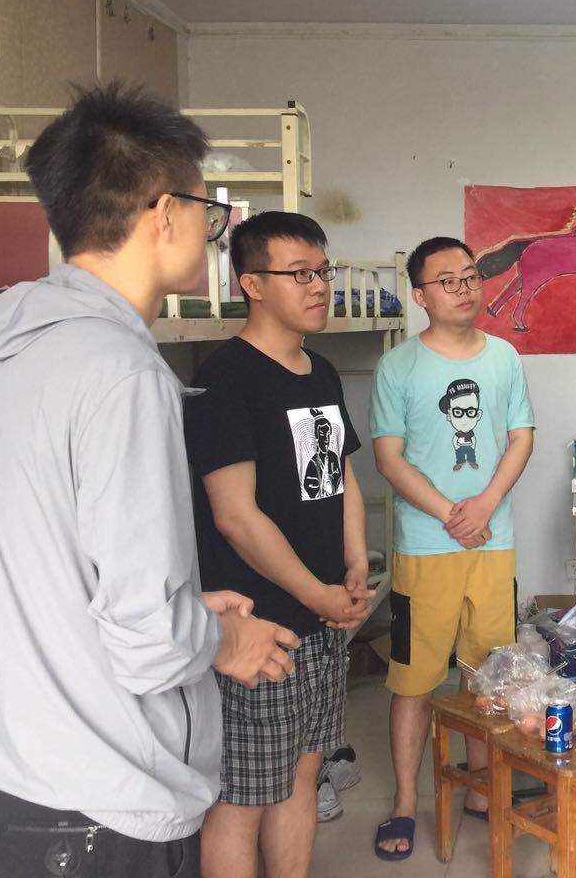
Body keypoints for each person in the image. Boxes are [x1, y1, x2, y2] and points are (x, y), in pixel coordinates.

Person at [0, 84, 299, 877]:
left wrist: (184, 609)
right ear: (164, 213)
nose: (212, 232)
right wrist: (224, 637)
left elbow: (40, 562)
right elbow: (150, 644)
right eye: (209, 212)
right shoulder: (122, 374)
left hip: (7, 770)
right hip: (99, 796)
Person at [185, 211, 372, 878]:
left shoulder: (320, 370)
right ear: (252, 284)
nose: (318, 286)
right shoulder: (224, 380)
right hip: (258, 626)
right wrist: (315, 592)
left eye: (322, 271)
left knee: (303, 774)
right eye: (299, 273)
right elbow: (235, 517)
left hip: (322, 617)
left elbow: (341, 475)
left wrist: (356, 562)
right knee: (241, 800)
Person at [370, 236, 535, 860]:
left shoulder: (504, 357)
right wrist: (450, 514)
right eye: (448, 281)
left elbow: (521, 437)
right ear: (421, 296)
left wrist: (486, 504)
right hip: (424, 548)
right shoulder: (398, 367)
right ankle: (404, 803)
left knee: (487, 673)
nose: (464, 288)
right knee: (413, 681)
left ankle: (482, 791)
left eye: (470, 276)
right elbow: (388, 458)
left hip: (493, 541)